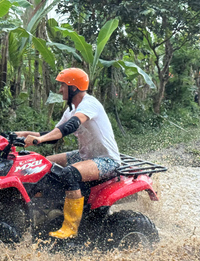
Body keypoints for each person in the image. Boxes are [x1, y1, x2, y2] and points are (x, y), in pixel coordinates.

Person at [16, 68, 122, 239]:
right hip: (84, 155)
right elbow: (53, 135)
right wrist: (24, 134)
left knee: (69, 174)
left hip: (106, 159)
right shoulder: (71, 109)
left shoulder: (89, 104)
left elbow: (69, 126)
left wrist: (39, 140)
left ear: (73, 87)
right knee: (42, 164)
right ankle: (46, 208)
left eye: (62, 86)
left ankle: (70, 228)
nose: (59, 90)